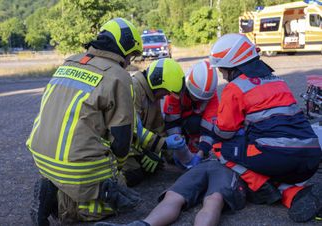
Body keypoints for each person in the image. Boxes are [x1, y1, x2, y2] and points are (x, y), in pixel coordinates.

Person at [26, 18, 144, 225]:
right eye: (132, 55)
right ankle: (57, 201)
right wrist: (116, 173)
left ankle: (53, 185)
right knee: (103, 206)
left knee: (91, 182)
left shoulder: (70, 62)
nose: (130, 61)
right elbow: (122, 139)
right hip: (75, 167)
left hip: (40, 157)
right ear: (125, 49)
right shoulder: (119, 76)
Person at [208, 33, 322, 222]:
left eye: (222, 69)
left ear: (232, 66)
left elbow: (225, 132)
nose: (222, 74)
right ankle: (291, 194)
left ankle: (262, 188)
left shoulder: (234, 88)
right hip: (311, 157)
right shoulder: (278, 81)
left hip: (279, 157)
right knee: (263, 156)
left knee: (221, 148)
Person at [95, 160, 247, 226]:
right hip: (205, 162)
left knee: (214, 198)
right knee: (173, 195)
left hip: (230, 165)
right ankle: (142, 224)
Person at [123, 58, 186, 186]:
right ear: (157, 84)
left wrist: (171, 156)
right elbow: (130, 130)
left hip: (135, 144)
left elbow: (158, 127)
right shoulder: (134, 89)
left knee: (155, 165)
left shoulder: (153, 94)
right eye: (166, 92)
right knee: (134, 175)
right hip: (123, 147)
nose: (165, 96)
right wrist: (147, 152)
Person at [163, 60, 219, 168]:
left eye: (201, 99)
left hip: (195, 124)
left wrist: (201, 152)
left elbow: (210, 127)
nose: (198, 100)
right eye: (195, 96)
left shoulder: (211, 96)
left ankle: (195, 147)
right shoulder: (176, 90)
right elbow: (171, 124)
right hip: (181, 122)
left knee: (194, 123)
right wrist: (180, 149)